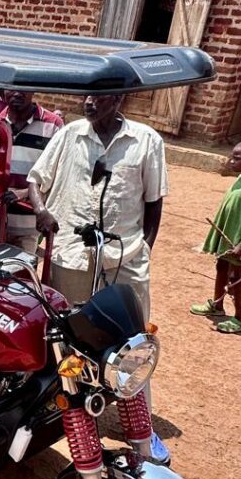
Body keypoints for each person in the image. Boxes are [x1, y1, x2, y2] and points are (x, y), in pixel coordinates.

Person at [27, 92, 169, 459]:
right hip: (72, 253)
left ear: (118, 98)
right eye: (87, 95)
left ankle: (140, 426)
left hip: (125, 255)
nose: (89, 102)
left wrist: (145, 247)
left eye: (99, 96)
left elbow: (154, 202)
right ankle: (68, 410)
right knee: (68, 334)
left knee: (133, 340)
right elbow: (35, 180)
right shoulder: (69, 134)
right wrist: (41, 211)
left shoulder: (146, 140)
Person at [0, 89, 63, 252]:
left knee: (22, 266)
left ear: (33, 89)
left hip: (29, 224)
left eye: (23, 88)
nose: (17, 93)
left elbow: (58, 176)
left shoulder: (53, 126)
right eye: (12, 88)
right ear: (3, 91)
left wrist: (24, 193)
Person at [190, 141, 241, 334]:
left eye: (237, 158)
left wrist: (240, 246)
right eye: (232, 156)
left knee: (238, 277)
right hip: (229, 236)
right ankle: (217, 305)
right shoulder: (240, 177)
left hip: (238, 241)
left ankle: (240, 318)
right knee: (221, 266)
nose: (231, 161)